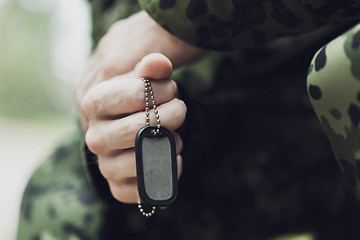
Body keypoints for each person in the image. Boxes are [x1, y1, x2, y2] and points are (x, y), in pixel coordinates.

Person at [17, 0, 360, 239]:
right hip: (267, 97)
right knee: (63, 197)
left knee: (341, 72)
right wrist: (129, 111)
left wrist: (178, 20)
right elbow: (120, 35)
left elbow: (151, 29)